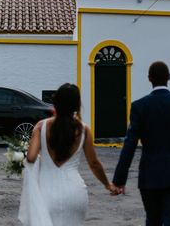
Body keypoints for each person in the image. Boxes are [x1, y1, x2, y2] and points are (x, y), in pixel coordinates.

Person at [113, 61, 170, 226]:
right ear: (169, 77)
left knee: (153, 220)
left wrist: (119, 179)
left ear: (149, 79)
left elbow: (129, 144)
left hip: (149, 174)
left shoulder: (139, 106)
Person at [19, 83, 117, 226]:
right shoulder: (84, 130)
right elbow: (94, 163)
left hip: (46, 192)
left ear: (56, 103)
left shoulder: (41, 126)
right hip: (74, 193)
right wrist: (107, 184)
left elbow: (31, 157)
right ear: (76, 106)